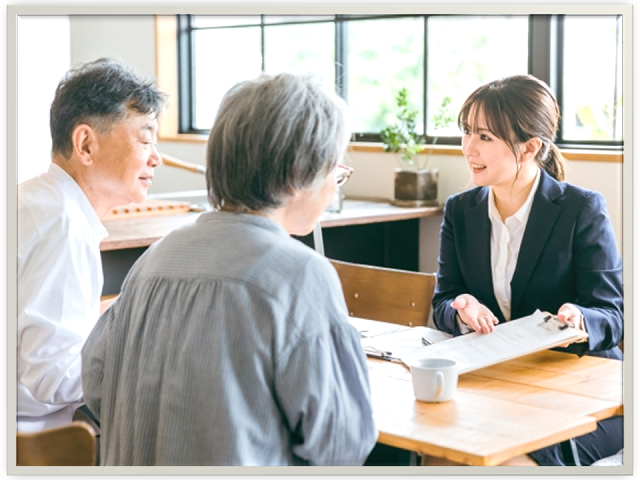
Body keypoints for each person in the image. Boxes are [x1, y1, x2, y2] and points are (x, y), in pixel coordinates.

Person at [81, 72, 377, 466]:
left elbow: (96, 382)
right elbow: (342, 443)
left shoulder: (156, 258)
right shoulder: (300, 274)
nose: (334, 186)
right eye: (334, 170)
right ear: (298, 174)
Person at [430, 74, 623, 466]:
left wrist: (580, 319)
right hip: (501, 382)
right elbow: (442, 302)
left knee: (511, 464)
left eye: (485, 137)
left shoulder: (581, 209)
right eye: (467, 132)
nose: (468, 147)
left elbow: (613, 316)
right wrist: (460, 307)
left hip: (585, 389)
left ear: (530, 147)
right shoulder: (460, 210)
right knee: (441, 458)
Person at [17, 58, 167, 433]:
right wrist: (146, 353)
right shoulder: (63, 226)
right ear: (85, 144)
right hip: (35, 444)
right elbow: (54, 377)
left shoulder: (32, 200)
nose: (156, 158)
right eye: (145, 139)